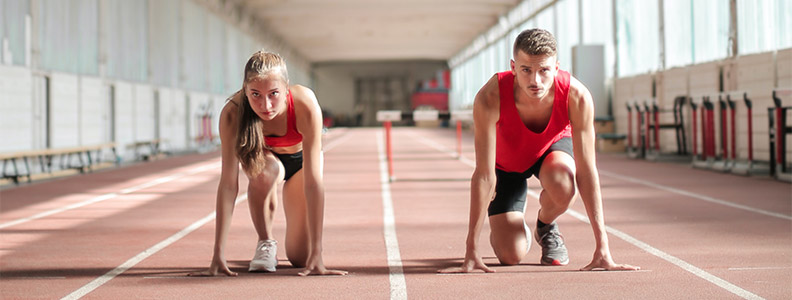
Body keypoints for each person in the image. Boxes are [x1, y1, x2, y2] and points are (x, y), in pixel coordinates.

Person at [440, 29, 640, 273]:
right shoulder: (490, 97)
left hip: (550, 150)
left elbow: (587, 172)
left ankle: (545, 226)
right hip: (506, 165)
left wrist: (603, 247)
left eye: (544, 70)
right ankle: (513, 226)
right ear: (513, 67)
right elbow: (484, 175)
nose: (535, 81)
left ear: (556, 67)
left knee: (564, 184)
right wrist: (471, 248)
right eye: (526, 70)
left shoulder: (577, 97)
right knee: (510, 255)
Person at [190, 51, 347, 277]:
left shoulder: (304, 104)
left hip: (301, 165)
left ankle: (308, 251)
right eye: (255, 94)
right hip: (266, 161)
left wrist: (317, 252)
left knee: (301, 258)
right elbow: (227, 185)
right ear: (245, 90)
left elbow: (314, 183)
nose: (265, 105)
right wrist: (217, 254)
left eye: (273, 94)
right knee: (266, 171)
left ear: (286, 89)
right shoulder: (232, 114)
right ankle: (265, 242)